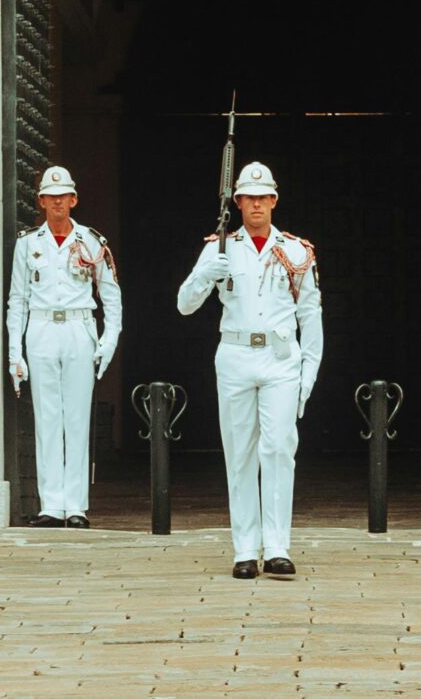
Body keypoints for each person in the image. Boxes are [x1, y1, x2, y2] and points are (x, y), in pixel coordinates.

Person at [177, 161, 323, 578]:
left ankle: (277, 547)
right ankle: (245, 548)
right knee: (239, 453)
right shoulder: (219, 246)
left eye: (263, 197)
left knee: (278, 450)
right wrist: (207, 273)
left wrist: (308, 374)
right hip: (237, 355)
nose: (256, 204)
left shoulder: (296, 250)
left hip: (279, 359)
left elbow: (310, 317)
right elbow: (185, 305)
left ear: (274, 201)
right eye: (248, 197)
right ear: (237, 202)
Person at [6, 165, 122, 528]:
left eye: (63, 197)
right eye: (50, 198)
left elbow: (111, 296)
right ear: (41, 202)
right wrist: (15, 352)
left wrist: (108, 339)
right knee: (47, 418)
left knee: (76, 417)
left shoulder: (91, 241)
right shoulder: (28, 244)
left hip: (78, 328)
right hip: (40, 328)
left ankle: (76, 506)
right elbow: (17, 300)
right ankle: (51, 505)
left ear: (73, 199)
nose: (57, 203)